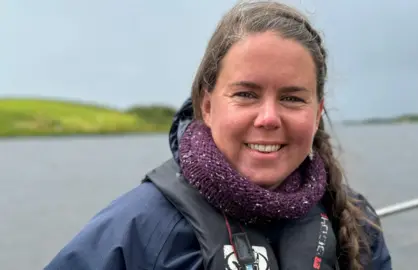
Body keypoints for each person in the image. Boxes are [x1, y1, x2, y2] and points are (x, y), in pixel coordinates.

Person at [44, 1, 392, 269]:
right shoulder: (137, 230)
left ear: (317, 114)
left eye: (292, 98)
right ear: (207, 106)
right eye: (246, 94)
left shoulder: (355, 221)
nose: (268, 118)